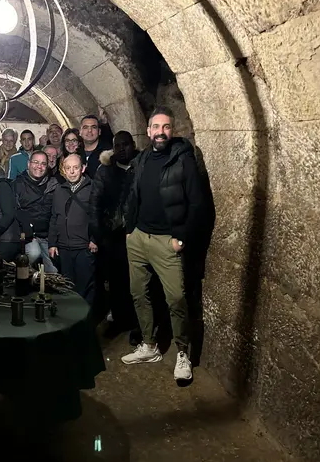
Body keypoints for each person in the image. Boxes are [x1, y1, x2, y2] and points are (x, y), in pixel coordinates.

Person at [122, 106, 205, 383]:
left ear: (173, 130)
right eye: (156, 127)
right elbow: (133, 195)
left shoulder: (183, 160)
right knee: (138, 293)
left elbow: (197, 204)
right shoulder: (143, 158)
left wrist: (181, 238)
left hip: (166, 241)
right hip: (138, 238)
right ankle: (149, 345)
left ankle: (183, 353)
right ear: (148, 131)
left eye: (166, 127)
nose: (161, 132)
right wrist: (130, 229)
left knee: (176, 299)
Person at [90, 131, 140, 337]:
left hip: (138, 233)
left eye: (125, 144)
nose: (121, 149)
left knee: (139, 282)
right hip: (113, 235)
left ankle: (139, 324)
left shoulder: (141, 166)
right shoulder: (105, 171)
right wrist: (99, 235)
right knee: (117, 282)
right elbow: (95, 203)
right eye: (117, 145)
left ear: (133, 145)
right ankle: (121, 321)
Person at [48, 153, 97, 306]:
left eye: (75, 167)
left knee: (85, 287)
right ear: (63, 170)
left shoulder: (93, 189)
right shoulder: (59, 190)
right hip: (64, 248)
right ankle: (70, 316)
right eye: (68, 168)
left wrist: (94, 239)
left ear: (83, 168)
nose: (72, 171)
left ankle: (87, 317)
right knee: (67, 286)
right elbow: (54, 217)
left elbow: (99, 216)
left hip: (84, 247)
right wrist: (52, 243)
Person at [13, 151, 59, 273]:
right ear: (28, 164)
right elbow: (14, 212)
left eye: (43, 164)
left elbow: (56, 214)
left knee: (53, 272)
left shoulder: (53, 184)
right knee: (34, 253)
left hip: (46, 236)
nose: (39, 166)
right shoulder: (18, 184)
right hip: (26, 237)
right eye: (36, 162)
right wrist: (25, 233)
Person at [80, 113, 113, 179]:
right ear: (80, 132)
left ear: (99, 131)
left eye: (93, 127)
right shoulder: (76, 153)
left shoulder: (109, 153)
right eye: (85, 127)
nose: (89, 130)